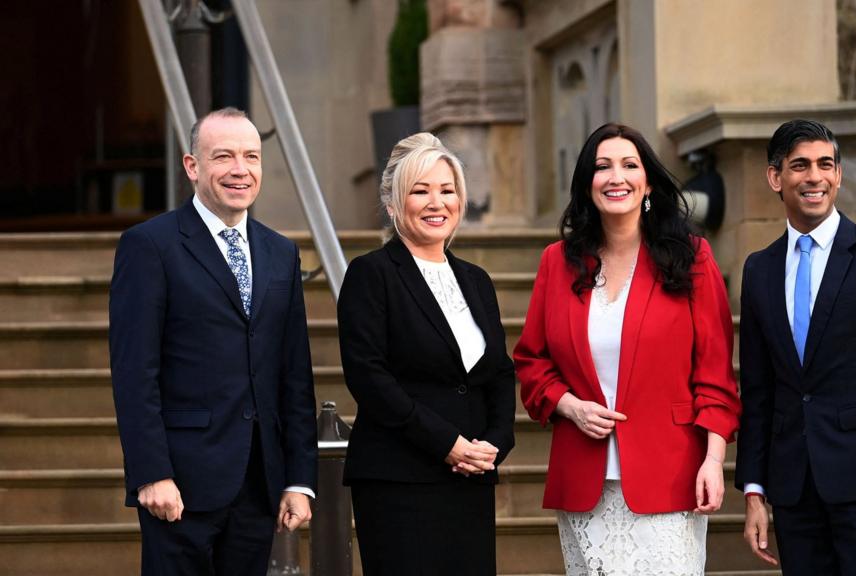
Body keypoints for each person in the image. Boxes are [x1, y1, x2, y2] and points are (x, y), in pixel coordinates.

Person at [514, 123, 741, 575]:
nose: (616, 177)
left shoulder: (692, 258)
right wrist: (570, 405)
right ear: (587, 183)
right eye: (602, 167)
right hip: (583, 480)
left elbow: (715, 376)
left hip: (671, 475)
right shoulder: (556, 263)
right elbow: (531, 361)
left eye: (629, 165)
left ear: (648, 181)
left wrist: (714, 461)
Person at [109, 107, 318, 575]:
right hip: (179, 484)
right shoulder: (150, 246)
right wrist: (151, 473)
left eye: (251, 156)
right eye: (223, 156)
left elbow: (294, 374)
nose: (240, 170)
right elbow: (134, 372)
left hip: (258, 482)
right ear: (192, 166)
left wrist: (300, 478)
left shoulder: (280, 253)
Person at [735, 119, 856, 575]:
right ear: (775, 177)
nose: (814, 177)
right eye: (800, 165)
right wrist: (754, 490)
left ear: (839, 175)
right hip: (794, 492)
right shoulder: (759, 269)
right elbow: (759, 391)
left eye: (826, 164)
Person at [338, 132, 516, 576]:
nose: (437, 203)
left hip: (470, 478)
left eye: (447, 190)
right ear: (395, 205)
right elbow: (370, 378)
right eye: (421, 191)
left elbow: (498, 372)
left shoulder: (476, 280)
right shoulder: (370, 274)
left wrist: (495, 443)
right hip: (401, 479)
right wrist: (448, 445)